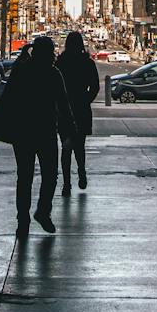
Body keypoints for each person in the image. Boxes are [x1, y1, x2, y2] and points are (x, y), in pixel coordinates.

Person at [5, 35, 73, 234]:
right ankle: (42, 211)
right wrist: (69, 131)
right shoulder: (53, 74)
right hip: (45, 131)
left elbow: (8, 100)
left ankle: (23, 219)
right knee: (50, 175)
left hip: (23, 131)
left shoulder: (22, 71)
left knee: (24, 176)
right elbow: (64, 105)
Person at [56, 30, 100, 194]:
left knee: (65, 147)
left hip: (64, 109)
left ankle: (66, 183)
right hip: (81, 108)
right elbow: (95, 86)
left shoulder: (61, 62)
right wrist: (85, 100)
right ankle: (81, 171)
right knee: (79, 146)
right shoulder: (87, 62)